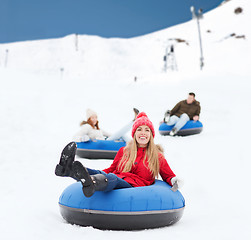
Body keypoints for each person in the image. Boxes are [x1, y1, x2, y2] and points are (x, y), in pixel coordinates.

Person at [55, 112, 183, 197]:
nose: (143, 133)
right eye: (139, 129)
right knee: (106, 174)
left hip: (134, 185)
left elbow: (168, 175)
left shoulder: (157, 156)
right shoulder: (124, 151)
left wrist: (174, 180)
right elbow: (111, 169)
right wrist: (97, 172)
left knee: (112, 178)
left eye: (146, 130)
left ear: (151, 135)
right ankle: (68, 169)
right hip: (117, 176)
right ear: (134, 134)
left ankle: (92, 183)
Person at [73, 108, 139, 142]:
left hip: (105, 141)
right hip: (101, 143)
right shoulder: (87, 127)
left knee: (122, 135)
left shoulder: (97, 129)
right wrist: (82, 138)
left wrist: (117, 136)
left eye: (96, 117)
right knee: (121, 134)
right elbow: (75, 136)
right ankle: (133, 121)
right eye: (92, 118)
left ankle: (134, 144)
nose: (95, 119)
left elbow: (109, 134)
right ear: (88, 119)